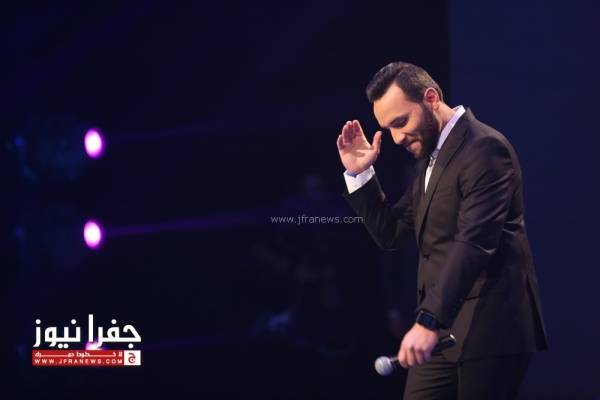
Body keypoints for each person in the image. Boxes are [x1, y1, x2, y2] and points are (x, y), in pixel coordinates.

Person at [336, 62, 548, 400]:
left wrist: (428, 320)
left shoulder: (484, 148)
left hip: (489, 328)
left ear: (431, 98)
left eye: (401, 122)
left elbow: (474, 242)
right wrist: (360, 174)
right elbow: (390, 233)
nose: (396, 138)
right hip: (442, 332)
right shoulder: (431, 161)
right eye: (388, 129)